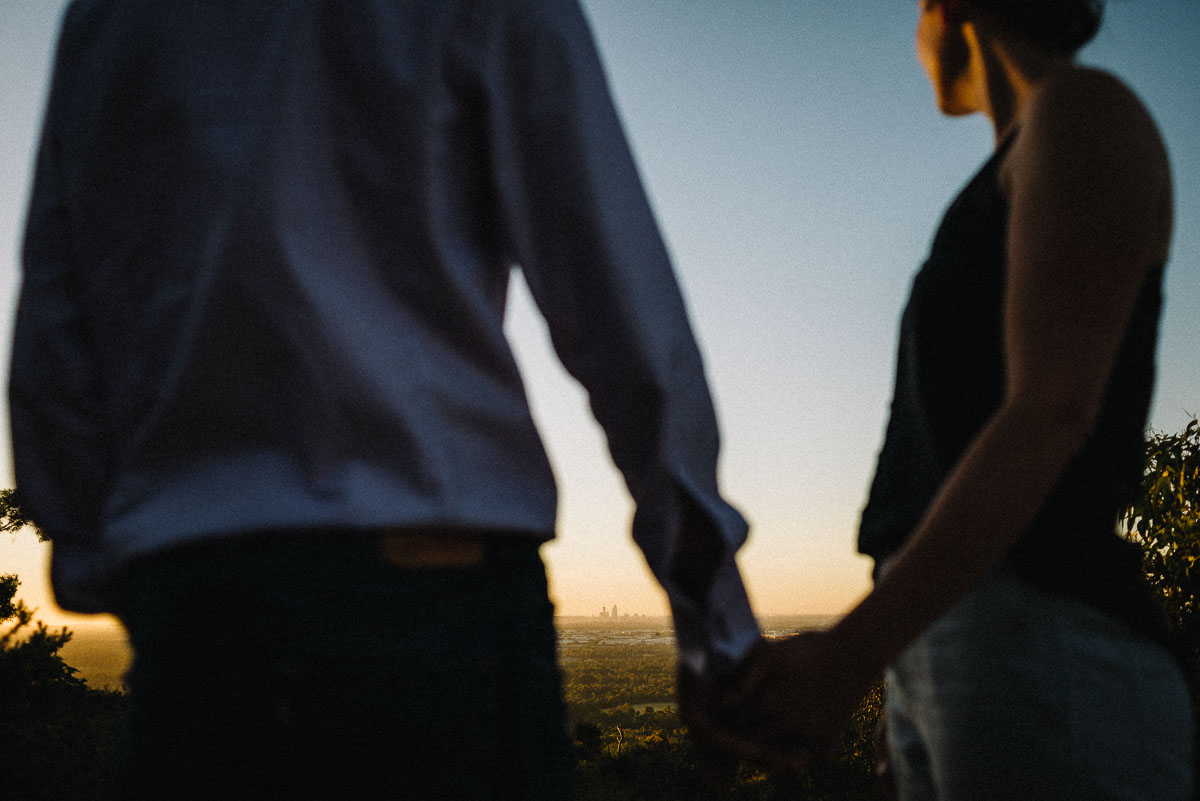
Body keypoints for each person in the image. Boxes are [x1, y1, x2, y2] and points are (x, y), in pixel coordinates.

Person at [9, 1, 761, 798]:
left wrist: (112, 562)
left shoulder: (107, 18)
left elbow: (54, 328)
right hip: (433, 601)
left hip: (197, 600)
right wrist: (713, 626)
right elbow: (619, 301)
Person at [686, 1, 1194, 799]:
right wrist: (905, 678)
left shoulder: (1082, 108)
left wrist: (850, 658)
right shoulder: (1027, 147)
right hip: (971, 650)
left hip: (1044, 644)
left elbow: (1050, 412)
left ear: (945, 8)